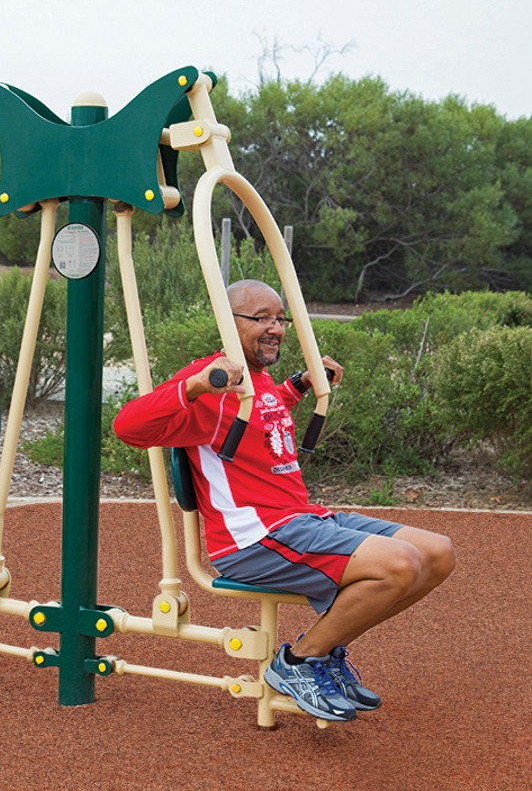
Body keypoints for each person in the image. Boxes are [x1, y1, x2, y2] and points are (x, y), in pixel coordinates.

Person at [113, 279, 455, 722]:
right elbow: (128, 427)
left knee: (437, 553)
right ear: (229, 321)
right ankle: (297, 663)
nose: (275, 328)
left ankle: (324, 652)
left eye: (280, 318)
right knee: (399, 564)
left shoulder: (255, 378)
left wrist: (298, 385)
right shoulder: (211, 380)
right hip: (253, 538)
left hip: (300, 520)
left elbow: (261, 410)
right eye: (261, 319)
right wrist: (195, 386)